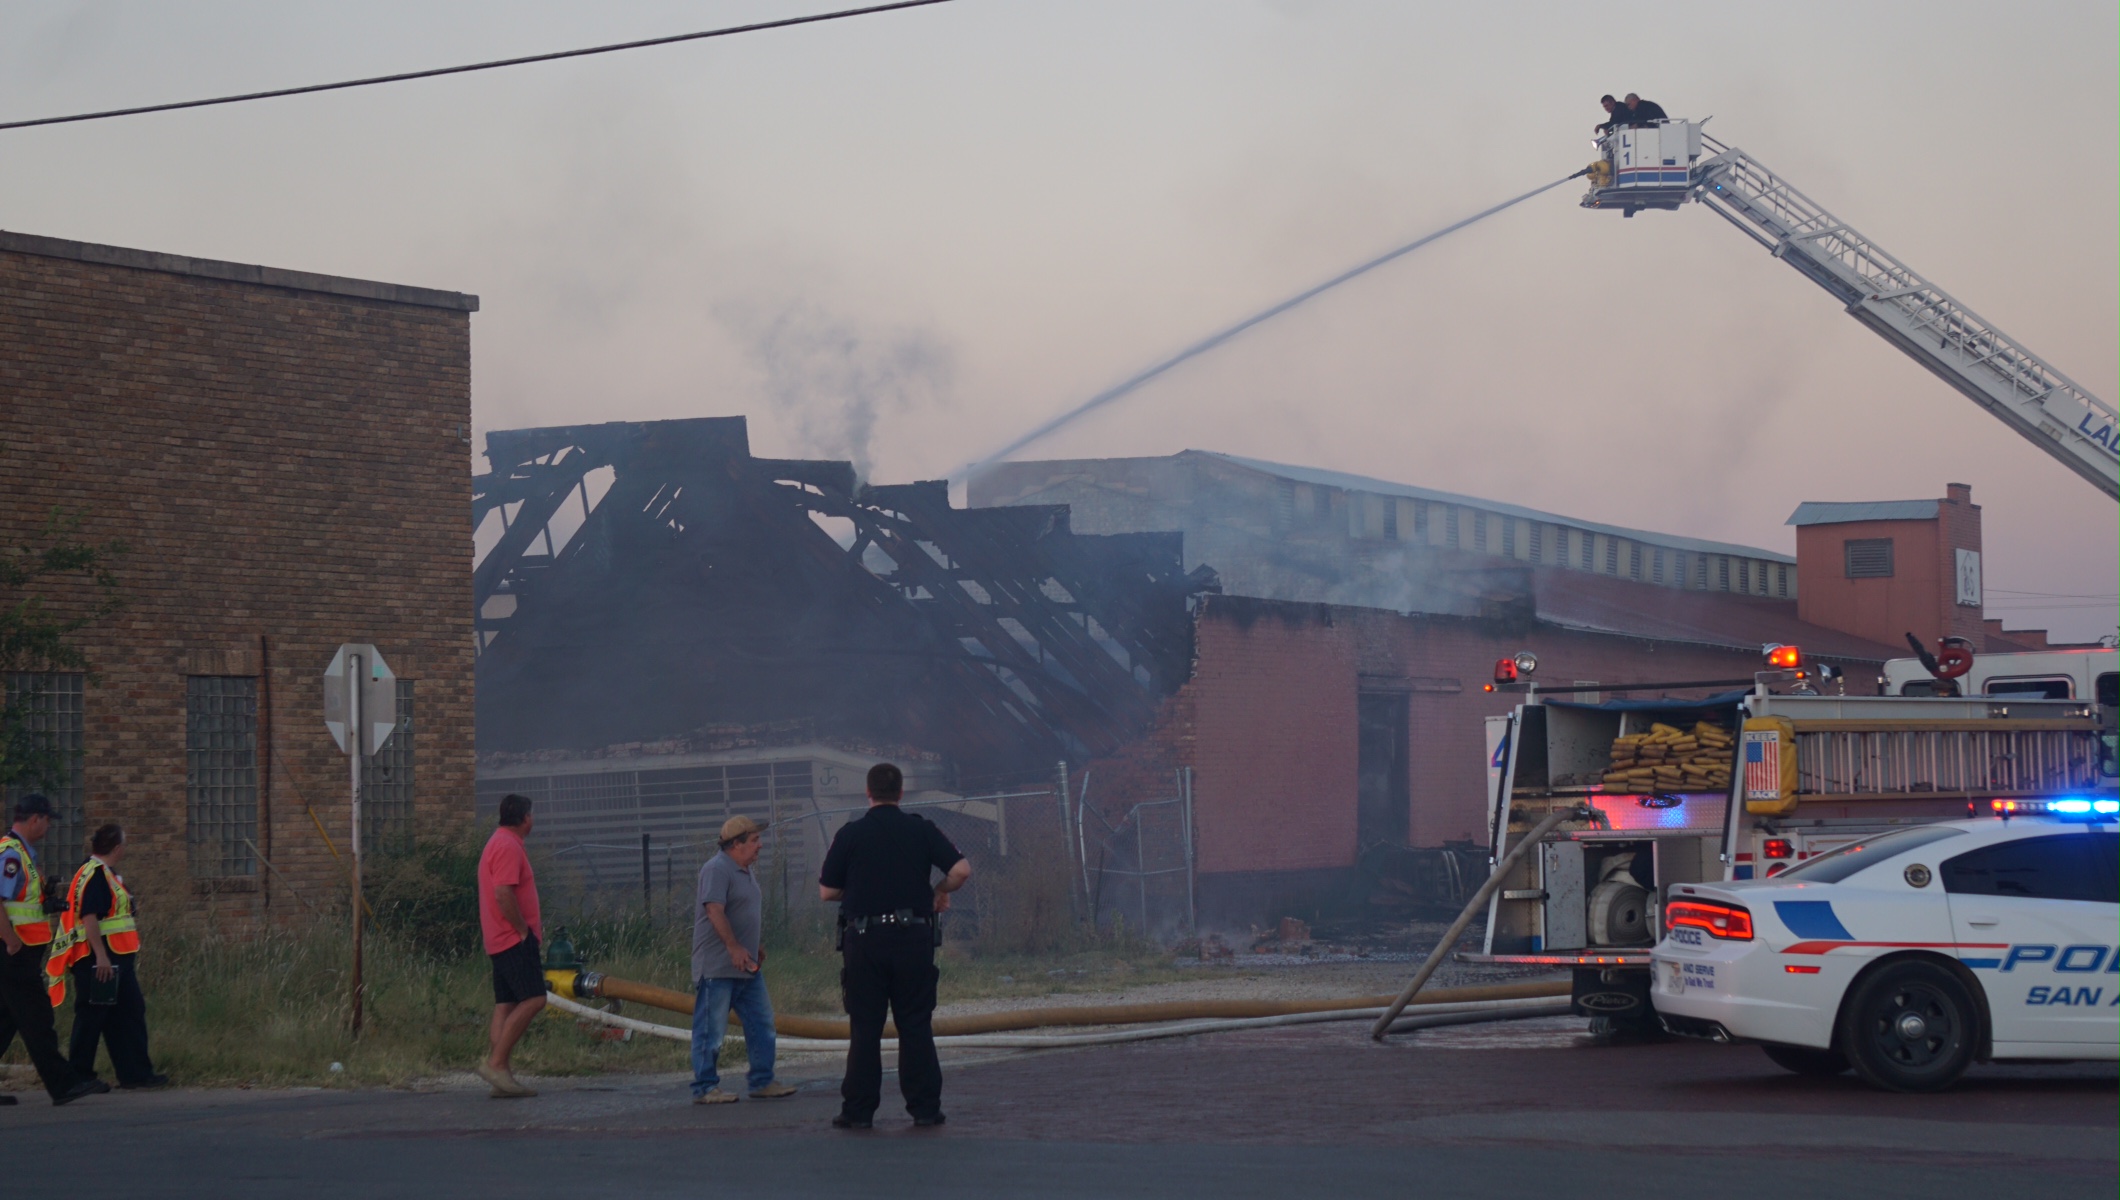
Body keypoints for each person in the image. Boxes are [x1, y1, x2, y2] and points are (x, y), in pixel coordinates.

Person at [817, 762, 971, 1130]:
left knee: (865, 1028)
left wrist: (861, 890)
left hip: (864, 940)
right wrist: (937, 891)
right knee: (915, 1024)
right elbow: (961, 870)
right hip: (912, 939)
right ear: (901, 793)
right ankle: (925, 1109)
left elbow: (827, 891)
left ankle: (858, 1112)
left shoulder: (850, 834)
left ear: (868, 793)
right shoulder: (922, 829)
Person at [0, 794, 105, 1106]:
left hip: (18, 952)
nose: (48, 828)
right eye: (47, 821)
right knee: (37, 1018)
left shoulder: (21, 853)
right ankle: (63, 1084)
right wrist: (11, 940)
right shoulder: (12, 855)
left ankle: (64, 1082)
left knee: (5, 1019)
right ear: (35, 819)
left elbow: (22, 903)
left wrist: (47, 904)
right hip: (13, 953)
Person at [689, 815, 798, 1105]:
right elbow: (714, 910)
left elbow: (741, 911)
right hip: (718, 967)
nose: (760, 845)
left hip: (745, 967)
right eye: (754, 840)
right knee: (711, 1031)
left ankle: (762, 1081)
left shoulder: (745, 871)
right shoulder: (717, 869)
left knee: (762, 1023)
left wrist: (752, 945)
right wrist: (734, 947)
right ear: (736, 844)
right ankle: (704, 1088)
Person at [55, 824, 166, 1088]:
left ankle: (135, 1074)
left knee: (129, 1012)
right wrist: (101, 957)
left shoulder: (103, 873)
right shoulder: (95, 875)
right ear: (117, 849)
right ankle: (80, 1074)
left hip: (118, 958)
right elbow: (89, 917)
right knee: (92, 1016)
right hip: (101, 960)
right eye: (124, 845)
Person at [477, 793, 544, 1099]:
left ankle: (500, 1076)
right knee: (534, 998)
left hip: (499, 938)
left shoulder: (500, 841)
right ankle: (496, 1063)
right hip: (512, 938)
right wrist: (522, 931)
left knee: (505, 1004)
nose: (533, 819)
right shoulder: (507, 845)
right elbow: (503, 893)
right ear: (524, 818)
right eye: (531, 814)